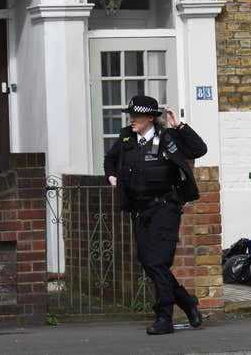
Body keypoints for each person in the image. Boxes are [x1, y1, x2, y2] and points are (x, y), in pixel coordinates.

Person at [104, 95, 207, 335]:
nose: (132, 120)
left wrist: (179, 126)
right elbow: (110, 160)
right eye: (130, 115)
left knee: (157, 262)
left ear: (151, 118)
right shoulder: (126, 138)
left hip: (165, 207)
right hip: (140, 210)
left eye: (136, 116)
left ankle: (164, 317)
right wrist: (111, 176)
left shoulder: (167, 138)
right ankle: (186, 302)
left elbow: (199, 150)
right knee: (148, 262)